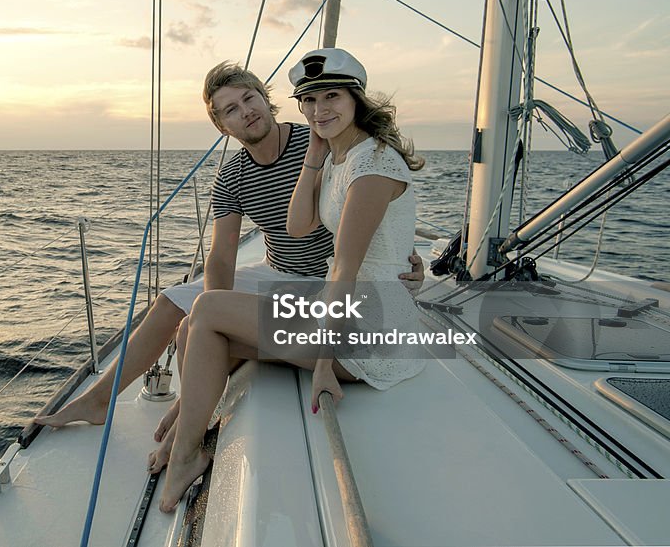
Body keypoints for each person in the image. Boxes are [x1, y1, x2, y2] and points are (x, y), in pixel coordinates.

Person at [35, 59, 424, 445]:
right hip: (278, 269)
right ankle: (100, 400)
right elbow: (221, 258)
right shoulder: (233, 175)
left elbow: (368, 217)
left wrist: (402, 258)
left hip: (324, 279)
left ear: (267, 99)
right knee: (173, 302)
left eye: (249, 98)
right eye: (231, 110)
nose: (246, 112)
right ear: (222, 127)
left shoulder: (320, 138)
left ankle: (191, 407)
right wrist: (217, 301)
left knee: (208, 317)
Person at [159, 48, 425, 512]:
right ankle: (187, 436)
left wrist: (323, 362)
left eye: (332, 97)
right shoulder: (341, 157)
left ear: (356, 99)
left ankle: (184, 452)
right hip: (344, 311)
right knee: (193, 330)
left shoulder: (373, 164)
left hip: (372, 333)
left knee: (206, 311)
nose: (320, 110)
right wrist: (316, 157)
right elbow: (299, 225)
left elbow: (343, 267)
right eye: (310, 100)